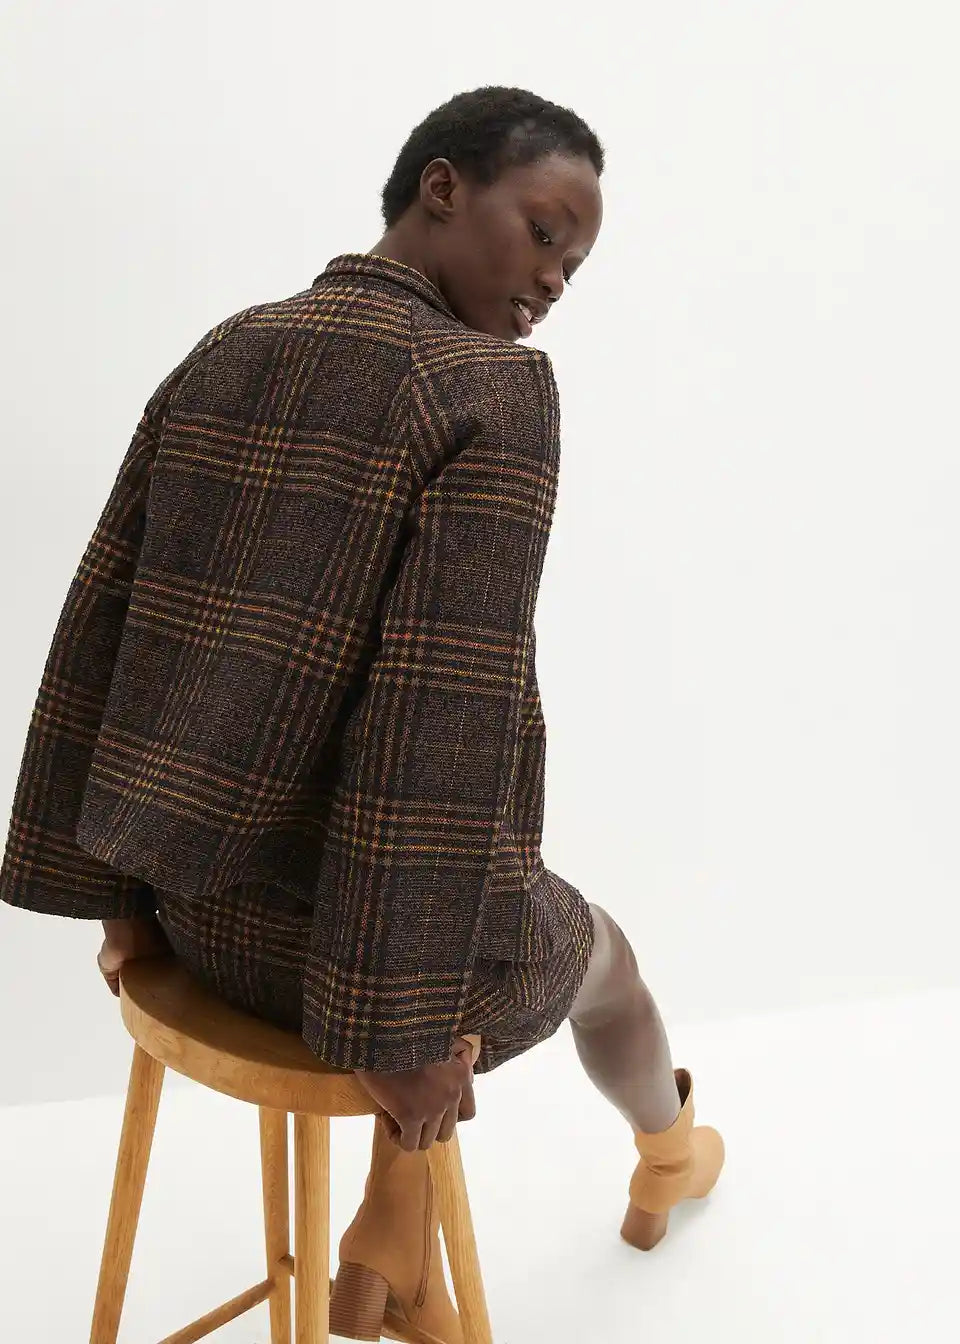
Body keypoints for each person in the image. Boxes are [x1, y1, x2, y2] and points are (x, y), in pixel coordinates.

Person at [0, 86, 723, 1342]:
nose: (555, 281)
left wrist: (118, 907)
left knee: (464, 898)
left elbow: (104, 625)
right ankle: (672, 1151)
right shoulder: (491, 390)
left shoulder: (229, 346)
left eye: (574, 265)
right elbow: (442, 721)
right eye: (544, 233)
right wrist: (396, 1029)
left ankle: (403, 1205)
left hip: (188, 928)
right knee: (602, 956)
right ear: (441, 186)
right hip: (354, 987)